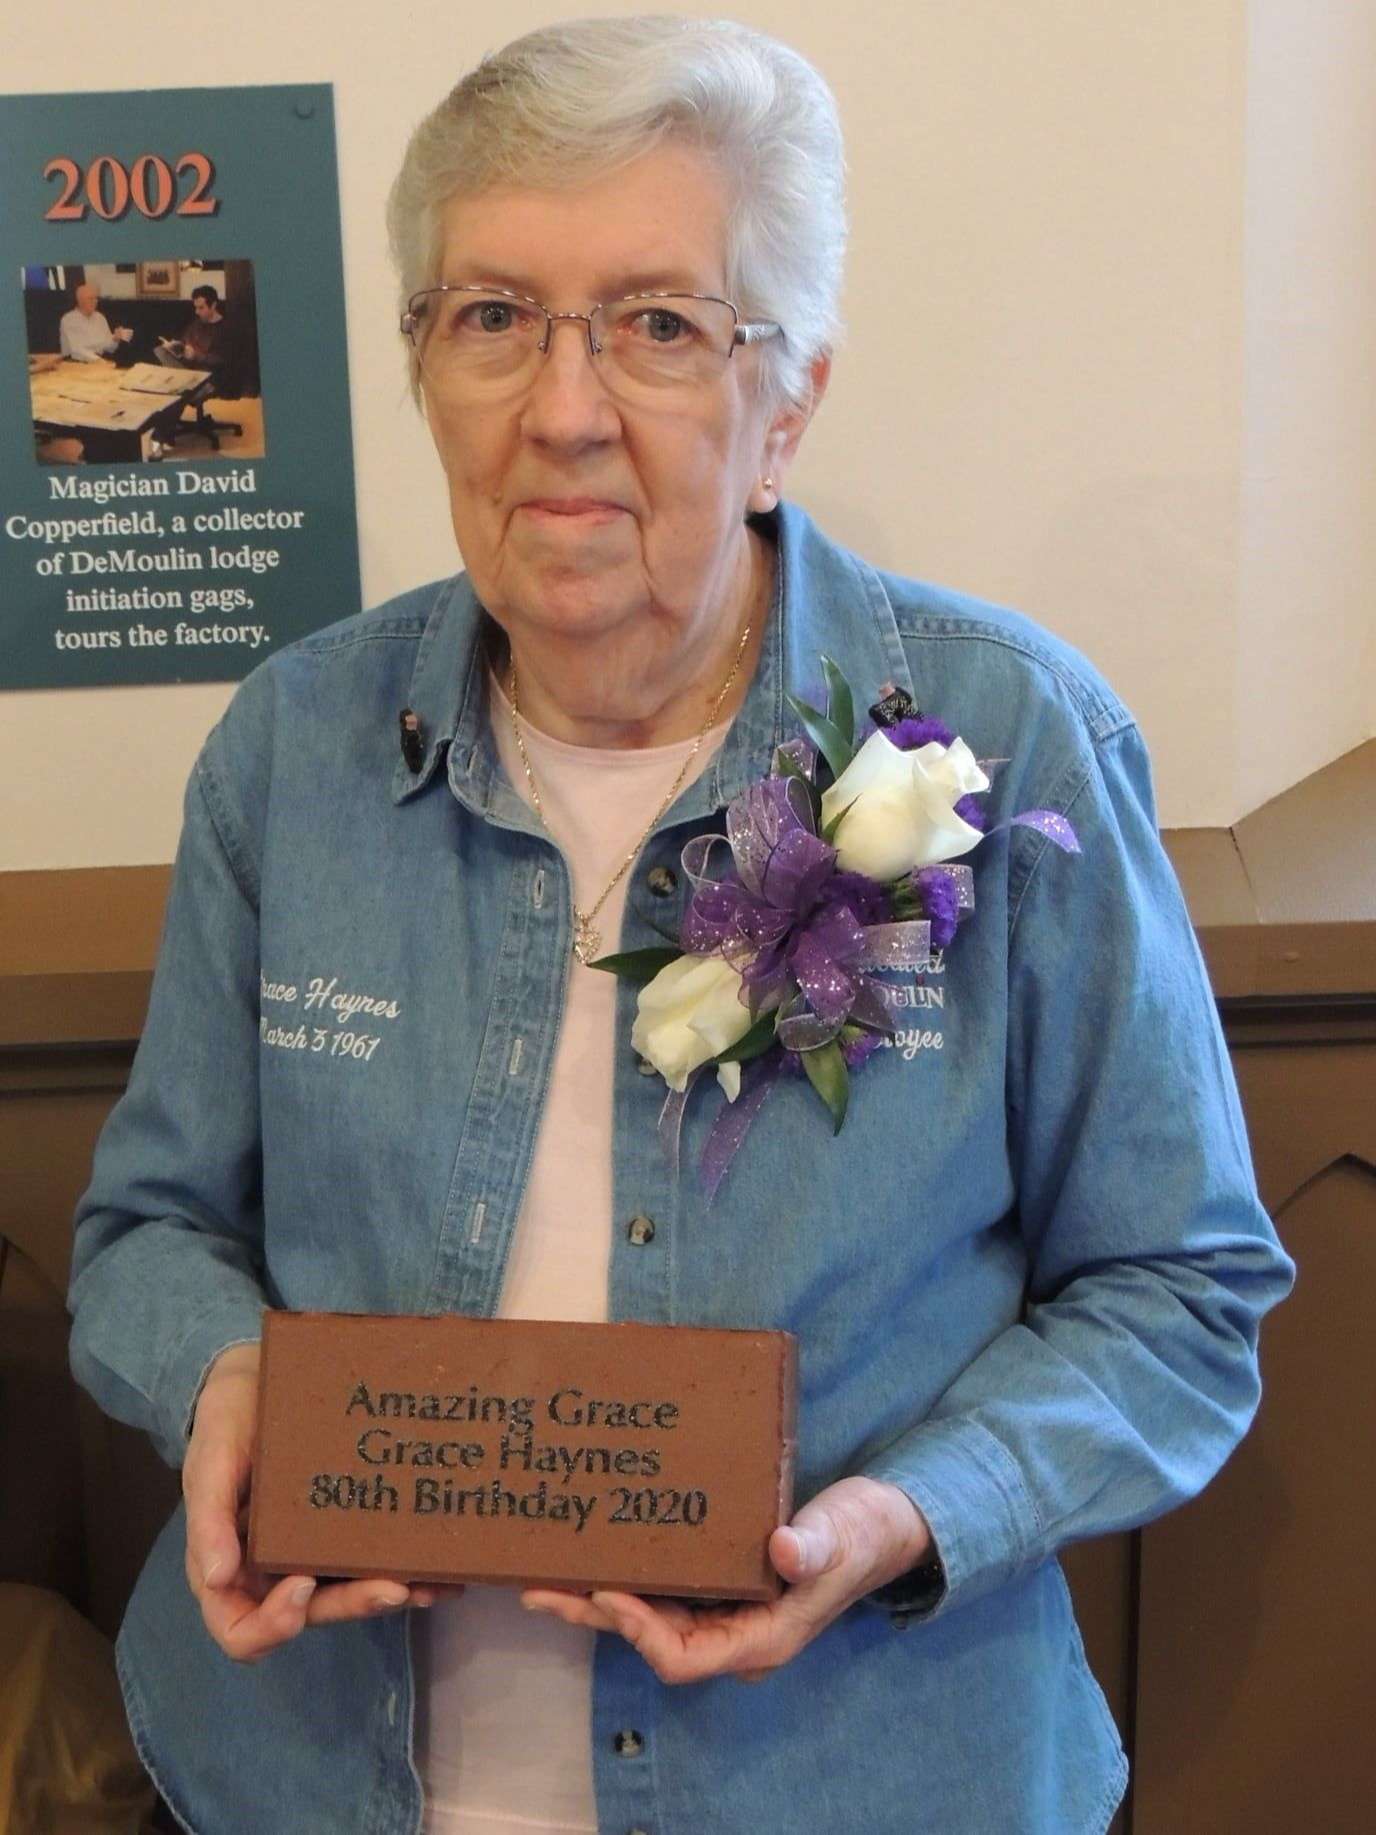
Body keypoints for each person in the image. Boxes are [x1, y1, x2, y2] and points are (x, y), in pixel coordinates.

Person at [68, 17, 1294, 1833]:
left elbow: (1180, 1294)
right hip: (312, 1782)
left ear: (785, 400)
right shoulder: (292, 750)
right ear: (421, 370)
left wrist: (897, 1521)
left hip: (866, 1778)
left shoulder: (1005, 745)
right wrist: (228, 1382)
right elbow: (148, 1231)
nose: (563, 407)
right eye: (492, 316)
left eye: (655, 324)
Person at [156, 284, 230, 375]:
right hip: (187, 368)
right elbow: (184, 342)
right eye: (196, 307)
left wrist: (195, 355)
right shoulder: (196, 324)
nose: (197, 312)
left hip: (208, 374)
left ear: (213, 305)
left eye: (201, 308)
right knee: (161, 351)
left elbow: (222, 360)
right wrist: (174, 346)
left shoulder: (226, 328)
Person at [58, 283, 133, 362]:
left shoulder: (100, 318)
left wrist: (115, 339)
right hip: (76, 362)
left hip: (98, 360)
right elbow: (77, 350)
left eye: (96, 298)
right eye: (90, 299)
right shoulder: (69, 320)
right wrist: (99, 361)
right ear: (80, 300)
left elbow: (109, 349)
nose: (95, 302)